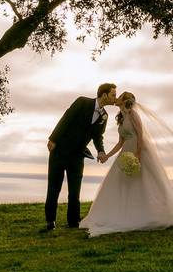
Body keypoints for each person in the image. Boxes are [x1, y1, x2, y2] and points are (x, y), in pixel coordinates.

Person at [80, 91, 173, 237]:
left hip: (139, 151)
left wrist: (138, 155)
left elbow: (140, 135)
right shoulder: (121, 117)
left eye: (119, 96)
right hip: (126, 152)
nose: (117, 98)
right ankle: (124, 213)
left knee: (144, 183)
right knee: (123, 183)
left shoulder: (133, 114)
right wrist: (107, 155)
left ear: (125, 100)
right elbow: (120, 142)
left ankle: (151, 214)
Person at [42, 83, 117, 231]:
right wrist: (53, 139)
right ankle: (50, 221)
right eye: (113, 94)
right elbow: (66, 118)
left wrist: (101, 151)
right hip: (60, 151)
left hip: (78, 155)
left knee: (75, 191)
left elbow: (98, 136)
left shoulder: (105, 116)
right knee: (53, 188)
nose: (115, 98)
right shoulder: (82, 102)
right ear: (104, 95)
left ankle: (73, 221)